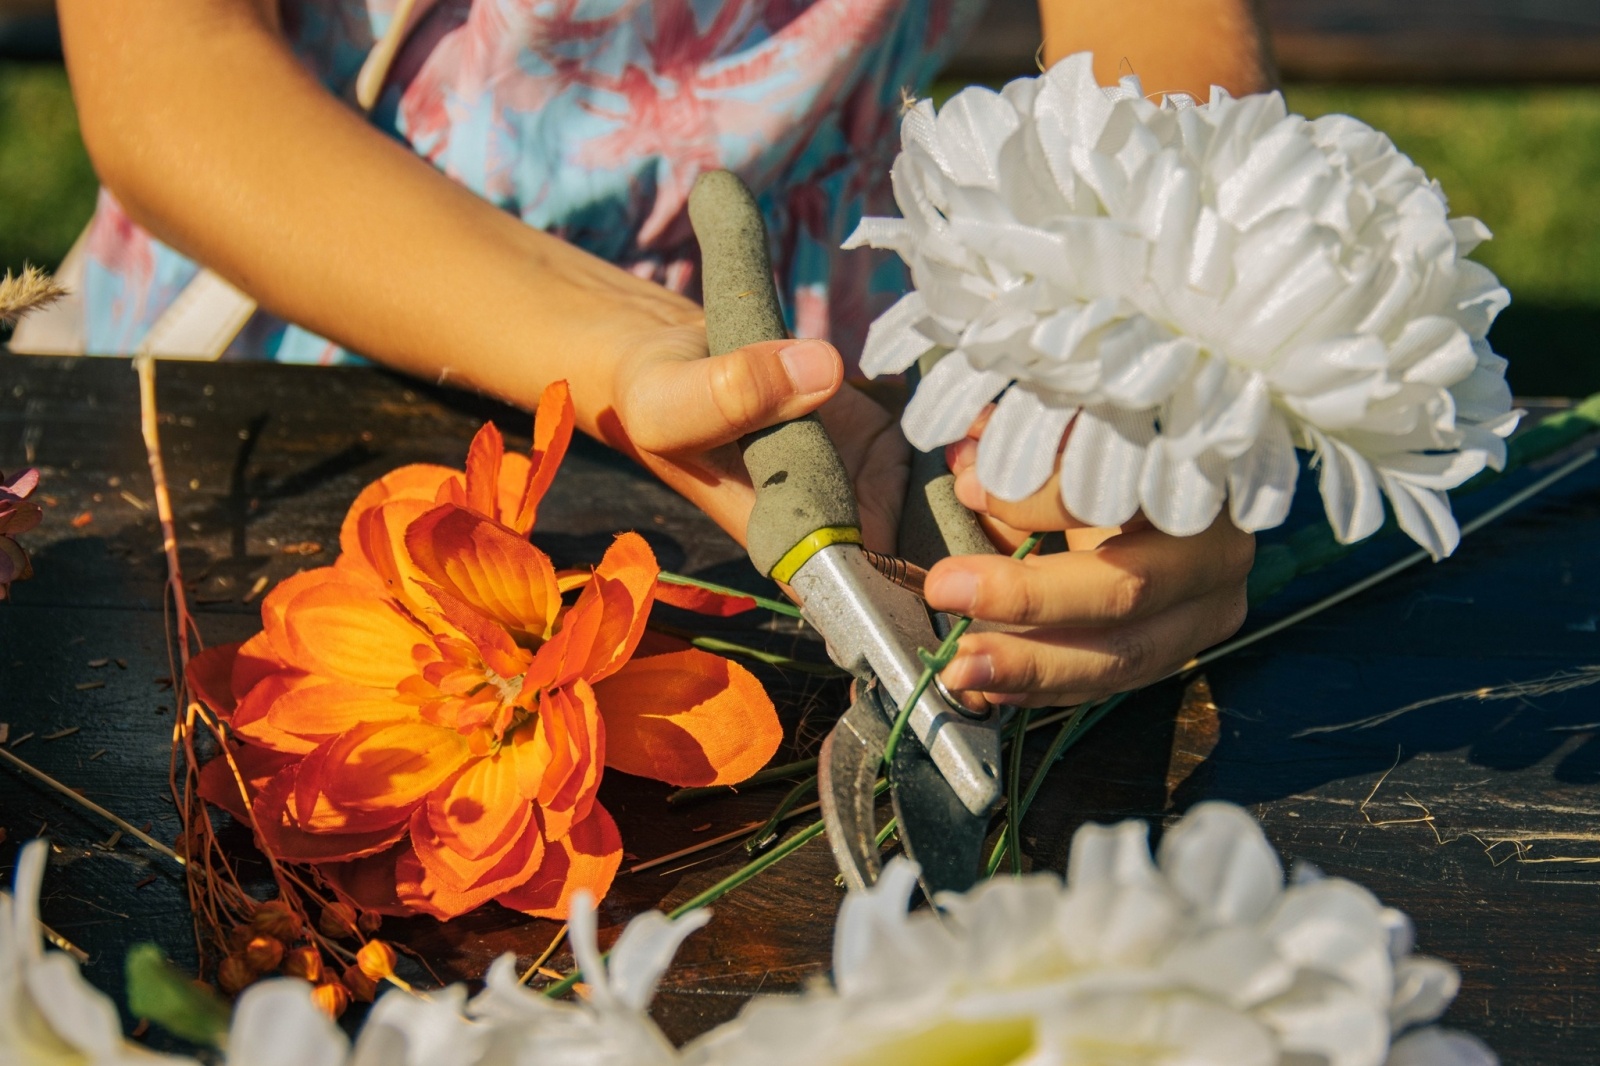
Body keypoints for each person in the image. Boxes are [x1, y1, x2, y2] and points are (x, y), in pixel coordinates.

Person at [54, 0, 1271, 708]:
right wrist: (622, 336)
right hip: (305, 333)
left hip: (817, 413)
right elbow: (174, 77)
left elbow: (1153, 51)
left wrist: (1157, 372)